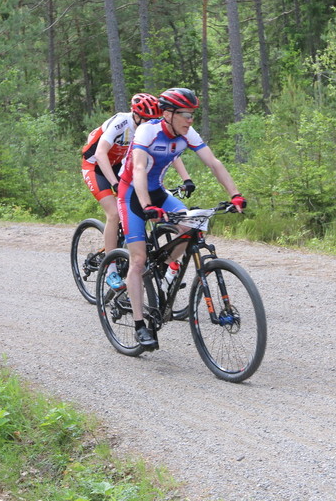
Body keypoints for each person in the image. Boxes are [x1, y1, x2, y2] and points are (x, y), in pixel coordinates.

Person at [114, 87, 246, 350]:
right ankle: (140, 325)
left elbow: (214, 163)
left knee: (195, 226)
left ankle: (165, 263)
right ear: (168, 113)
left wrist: (235, 195)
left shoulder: (188, 133)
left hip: (159, 192)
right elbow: (139, 169)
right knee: (138, 260)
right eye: (185, 114)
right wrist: (147, 205)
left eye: (193, 114)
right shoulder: (147, 131)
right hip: (131, 194)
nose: (190, 120)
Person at [82, 93, 194, 276]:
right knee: (114, 213)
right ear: (135, 115)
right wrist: (114, 183)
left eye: (152, 120)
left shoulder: (151, 129)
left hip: (119, 166)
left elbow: (171, 154)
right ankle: (109, 270)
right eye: (145, 120)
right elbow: (101, 153)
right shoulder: (121, 122)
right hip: (96, 166)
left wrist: (186, 179)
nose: (148, 124)